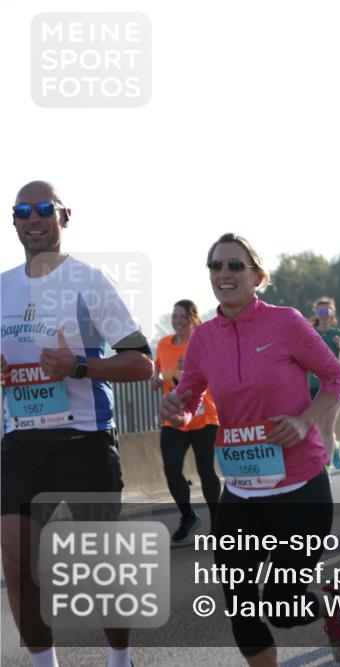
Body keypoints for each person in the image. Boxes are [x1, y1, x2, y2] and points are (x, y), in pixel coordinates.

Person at [160, 233, 340, 665]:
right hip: (242, 492)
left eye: (235, 265)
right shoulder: (203, 338)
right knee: (241, 607)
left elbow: (334, 379)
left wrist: (305, 419)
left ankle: (334, 605)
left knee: (280, 604)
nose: (224, 274)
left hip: (300, 488)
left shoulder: (286, 323)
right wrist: (178, 409)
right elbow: (191, 397)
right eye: (215, 266)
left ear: (257, 276)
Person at [2, 181, 154, 667]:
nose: (34, 218)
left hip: (84, 439)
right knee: (17, 558)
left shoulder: (89, 281)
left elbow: (141, 363)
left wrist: (80, 367)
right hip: (21, 443)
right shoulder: (2, 286)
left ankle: (119, 658)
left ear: (64, 217)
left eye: (44, 209)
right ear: (14, 221)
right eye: (23, 211)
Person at [152, 299, 222, 542]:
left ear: (193, 318)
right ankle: (188, 516)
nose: (178, 321)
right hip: (174, 417)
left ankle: (218, 523)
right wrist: (156, 380)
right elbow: (158, 369)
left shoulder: (201, 343)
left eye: (183, 317)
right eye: (175, 316)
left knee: (205, 470)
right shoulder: (163, 344)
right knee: (171, 469)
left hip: (204, 415)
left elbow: (216, 373)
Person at [309, 297, 340, 472]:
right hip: (313, 386)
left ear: (332, 313)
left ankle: (325, 470)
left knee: (327, 427)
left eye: (327, 311)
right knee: (320, 429)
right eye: (320, 312)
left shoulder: (338, 334)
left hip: (334, 385)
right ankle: (336, 447)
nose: (324, 315)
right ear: (315, 313)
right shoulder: (309, 332)